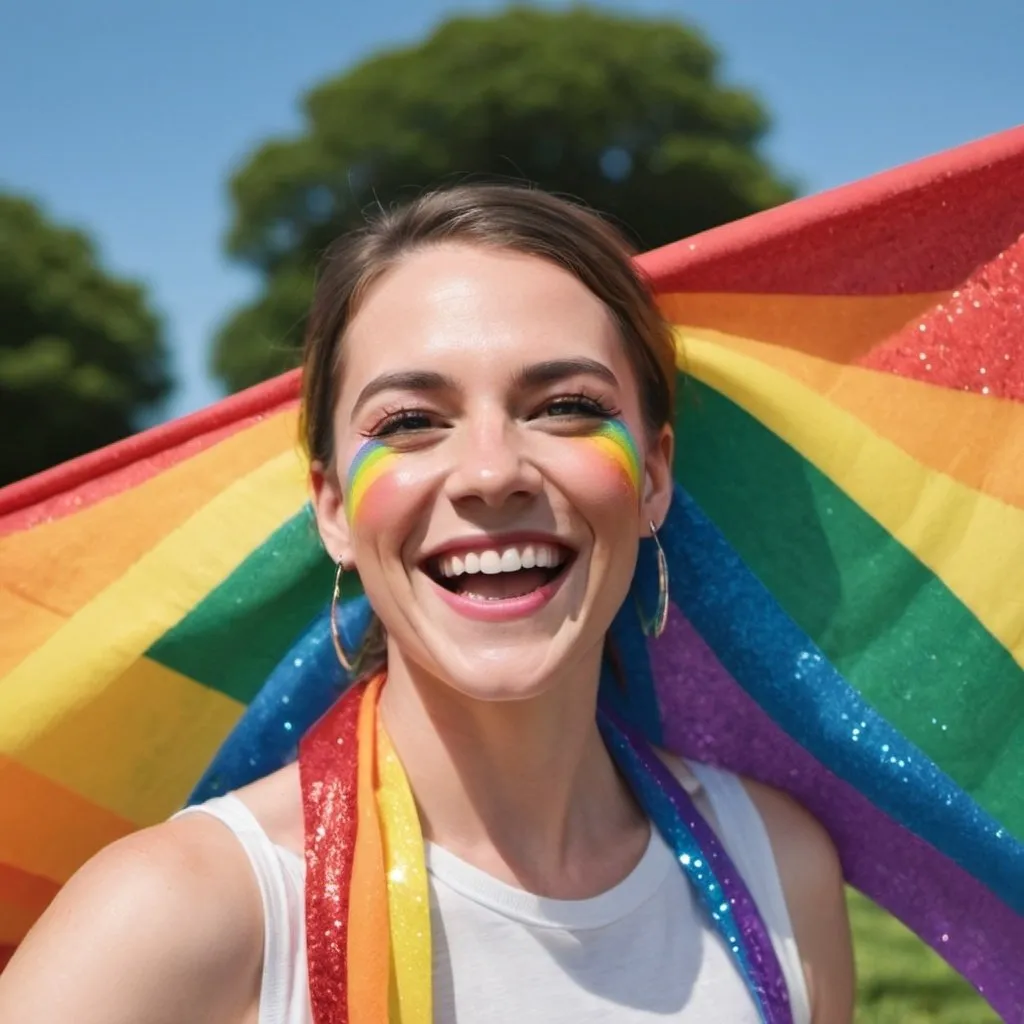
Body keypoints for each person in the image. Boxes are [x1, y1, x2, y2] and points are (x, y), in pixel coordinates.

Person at [0, 185, 854, 1023]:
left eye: (566, 407)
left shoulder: (778, 867)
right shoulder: (184, 913)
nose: (491, 472)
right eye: (410, 420)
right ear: (331, 507)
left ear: (654, 478)